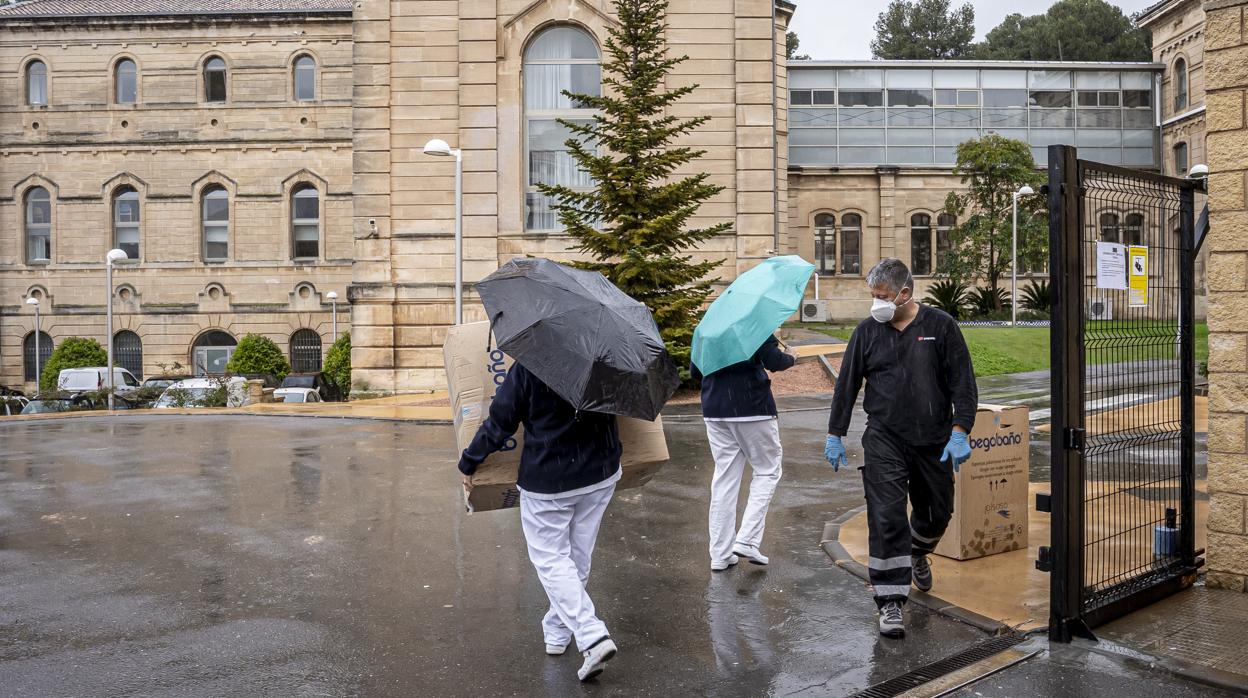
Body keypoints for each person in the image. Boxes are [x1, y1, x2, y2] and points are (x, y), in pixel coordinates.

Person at [824, 258, 976, 638]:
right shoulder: (867, 332)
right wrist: (835, 432)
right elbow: (847, 384)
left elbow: (962, 381)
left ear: (905, 293)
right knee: (887, 516)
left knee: (938, 513)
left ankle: (917, 553)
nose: (876, 304)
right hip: (884, 438)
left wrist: (960, 430)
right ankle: (890, 600)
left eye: (883, 296)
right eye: (873, 296)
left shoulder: (940, 327)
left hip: (933, 439)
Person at [458, 362, 621, 682]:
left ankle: (592, 636)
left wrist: (469, 461)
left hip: (551, 479)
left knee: (552, 559)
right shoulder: (601, 356)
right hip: (601, 471)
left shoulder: (532, 364)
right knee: (577, 557)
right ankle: (557, 634)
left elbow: (500, 422)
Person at [692, 335, 796, 571]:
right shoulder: (753, 325)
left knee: (724, 478)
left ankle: (720, 553)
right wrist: (792, 357)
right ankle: (747, 539)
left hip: (714, 408)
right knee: (768, 470)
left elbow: (696, 373)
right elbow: (774, 361)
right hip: (752, 407)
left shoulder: (706, 330)